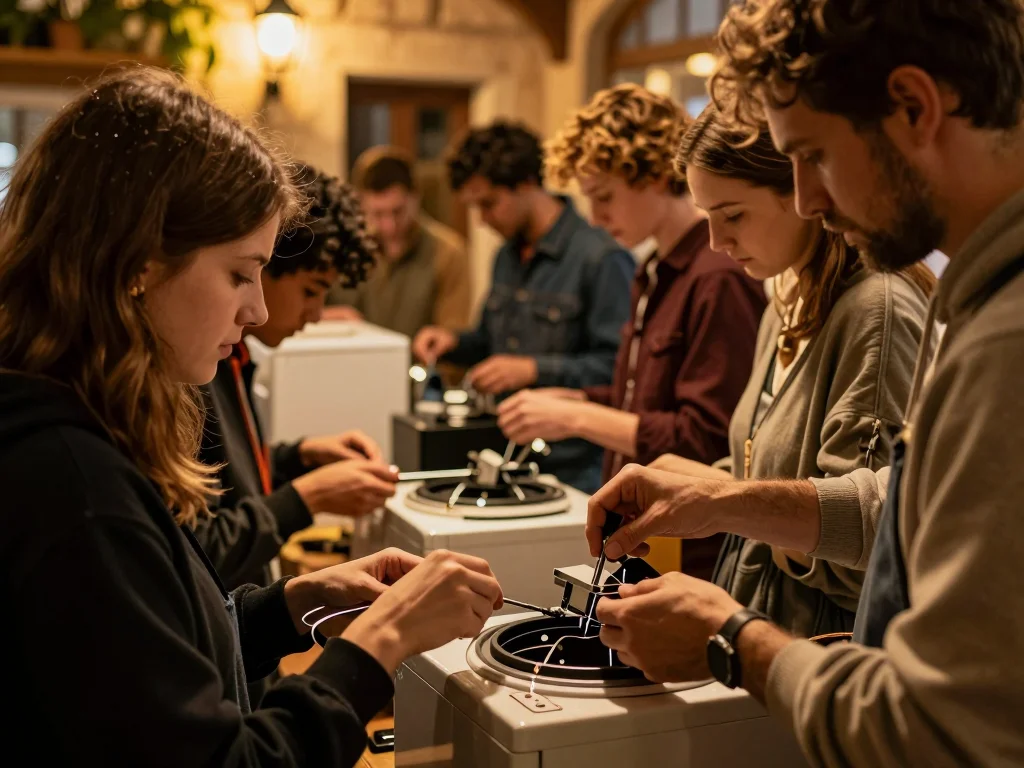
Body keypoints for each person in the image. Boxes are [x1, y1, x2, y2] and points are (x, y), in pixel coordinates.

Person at [0, 68, 502, 766]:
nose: (259, 310)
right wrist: (378, 644)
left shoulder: (80, 433)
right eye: (240, 273)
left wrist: (294, 605)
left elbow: (150, 663)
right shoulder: (75, 489)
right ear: (140, 262)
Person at [587, 2, 1024, 765]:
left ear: (915, 107)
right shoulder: (979, 301)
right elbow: (897, 506)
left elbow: (940, 729)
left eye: (813, 156)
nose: (809, 202)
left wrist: (732, 641)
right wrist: (720, 498)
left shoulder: (999, 336)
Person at [660, 103, 931, 634]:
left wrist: (724, 504)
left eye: (733, 215)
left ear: (800, 193)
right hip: (758, 620)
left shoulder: (876, 308)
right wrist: (697, 485)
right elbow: (766, 473)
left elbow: (868, 555)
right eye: (706, 218)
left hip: (817, 649)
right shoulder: (787, 295)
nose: (718, 242)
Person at [497, 84, 766, 580]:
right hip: (647, 537)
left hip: (694, 556)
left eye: (605, 197)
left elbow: (703, 439)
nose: (597, 218)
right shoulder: (654, 270)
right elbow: (642, 398)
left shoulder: (717, 276)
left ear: (658, 174)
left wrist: (577, 417)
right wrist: (578, 397)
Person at [194, 168, 399, 594]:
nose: (317, 314)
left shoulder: (233, 357)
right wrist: (307, 499)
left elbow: (224, 474)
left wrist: (299, 456)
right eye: (311, 291)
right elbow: (202, 551)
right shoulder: (192, 371)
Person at [412, 121, 634, 493]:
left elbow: (619, 369)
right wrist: (451, 341)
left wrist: (531, 369)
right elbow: (488, 341)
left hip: (578, 466)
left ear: (528, 183)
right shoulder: (505, 257)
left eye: (488, 204)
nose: (483, 220)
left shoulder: (602, 257)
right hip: (508, 453)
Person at [324, 146, 472, 338]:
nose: (389, 226)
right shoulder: (342, 249)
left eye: (398, 211)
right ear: (361, 204)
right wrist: (324, 316)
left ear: (415, 197)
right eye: (378, 214)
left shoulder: (448, 253)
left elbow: (452, 337)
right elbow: (305, 311)